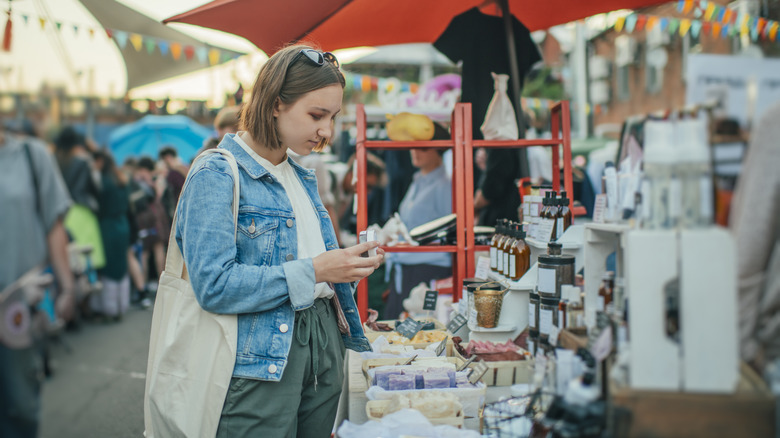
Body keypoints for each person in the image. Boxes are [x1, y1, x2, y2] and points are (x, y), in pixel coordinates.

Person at [166, 44, 383, 437]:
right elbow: (214, 286)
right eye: (316, 115)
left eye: (333, 117)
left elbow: (312, 271)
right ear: (275, 104)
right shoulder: (216, 174)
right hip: (259, 358)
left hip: (323, 344)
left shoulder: (300, 175)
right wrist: (318, 269)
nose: (327, 132)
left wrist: (349, 267)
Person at [0, 121, 75, 437]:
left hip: (18, 311)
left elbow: (53, 226)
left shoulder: (31, 156)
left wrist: (67, 286)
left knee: (21, 410)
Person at [384, 123, 453, 319]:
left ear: (438, 149)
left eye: (422, 146)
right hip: (406, 267)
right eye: (413, 146)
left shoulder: (444, 185)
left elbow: (451, 233)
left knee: (421, 329)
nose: (415, 151)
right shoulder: (417, 180)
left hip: (429, 269)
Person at [91, 149, 131, 321]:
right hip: (123, 224)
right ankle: (121, 306)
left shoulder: (103, 181)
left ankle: (109, 309)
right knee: (121, 267)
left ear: (100, 161)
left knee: (108, 268)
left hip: (108, 226)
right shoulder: (120, 179)